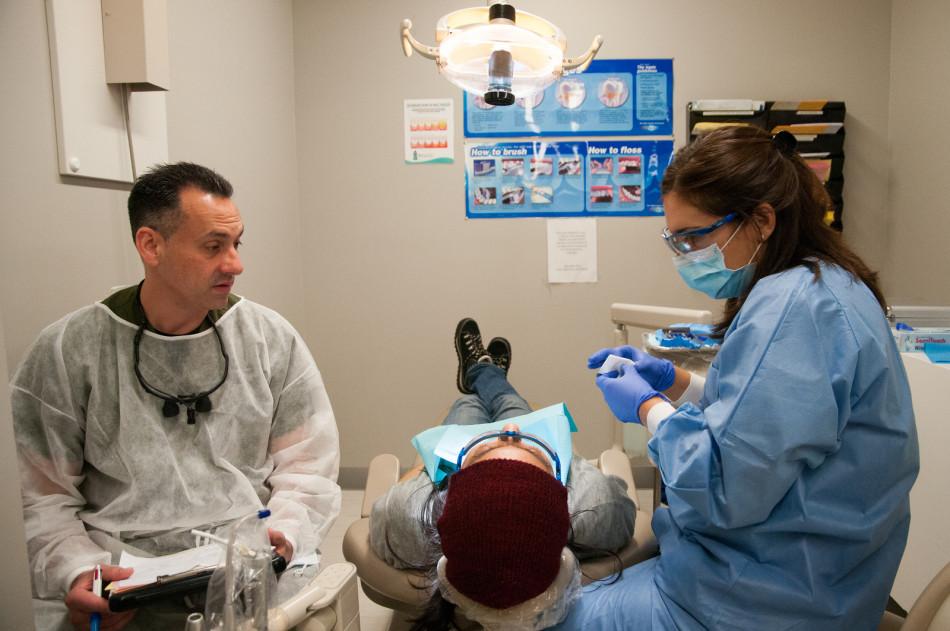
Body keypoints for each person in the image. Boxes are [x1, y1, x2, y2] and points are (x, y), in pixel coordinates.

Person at [555, 126, 920, 630]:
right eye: (674, 240)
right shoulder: (826, 284)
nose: (685, 254)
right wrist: (675, 382)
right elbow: (778, 416)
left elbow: (723, 485)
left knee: (549, 620)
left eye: (694, 237)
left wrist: (647, 407)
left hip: (755, 605)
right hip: (805, 581)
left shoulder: (795, 306)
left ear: (762, 220)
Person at [11, 162, 341, 630]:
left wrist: (284, 533)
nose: (235, 264)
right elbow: (39, 497)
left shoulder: (268, 339)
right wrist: (78, 568)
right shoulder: (71, 350)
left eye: (236, 243)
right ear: (151, 245)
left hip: (249, 567)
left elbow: (308, 469)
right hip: (121, 580)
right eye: (213, 246)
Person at [369, 318, 637, 631]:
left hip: (480, 469)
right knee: (511, 403)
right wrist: (550, 455)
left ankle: (478, 374)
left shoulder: (408, 517)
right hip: (514, 474)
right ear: (560, 491)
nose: (509, 431)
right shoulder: (596, 509)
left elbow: (416, 479)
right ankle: (489, 374)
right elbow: (582, 468)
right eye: (533, 455)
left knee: (467, 404)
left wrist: (433, 467)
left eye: (481, 456)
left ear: (449, 494)